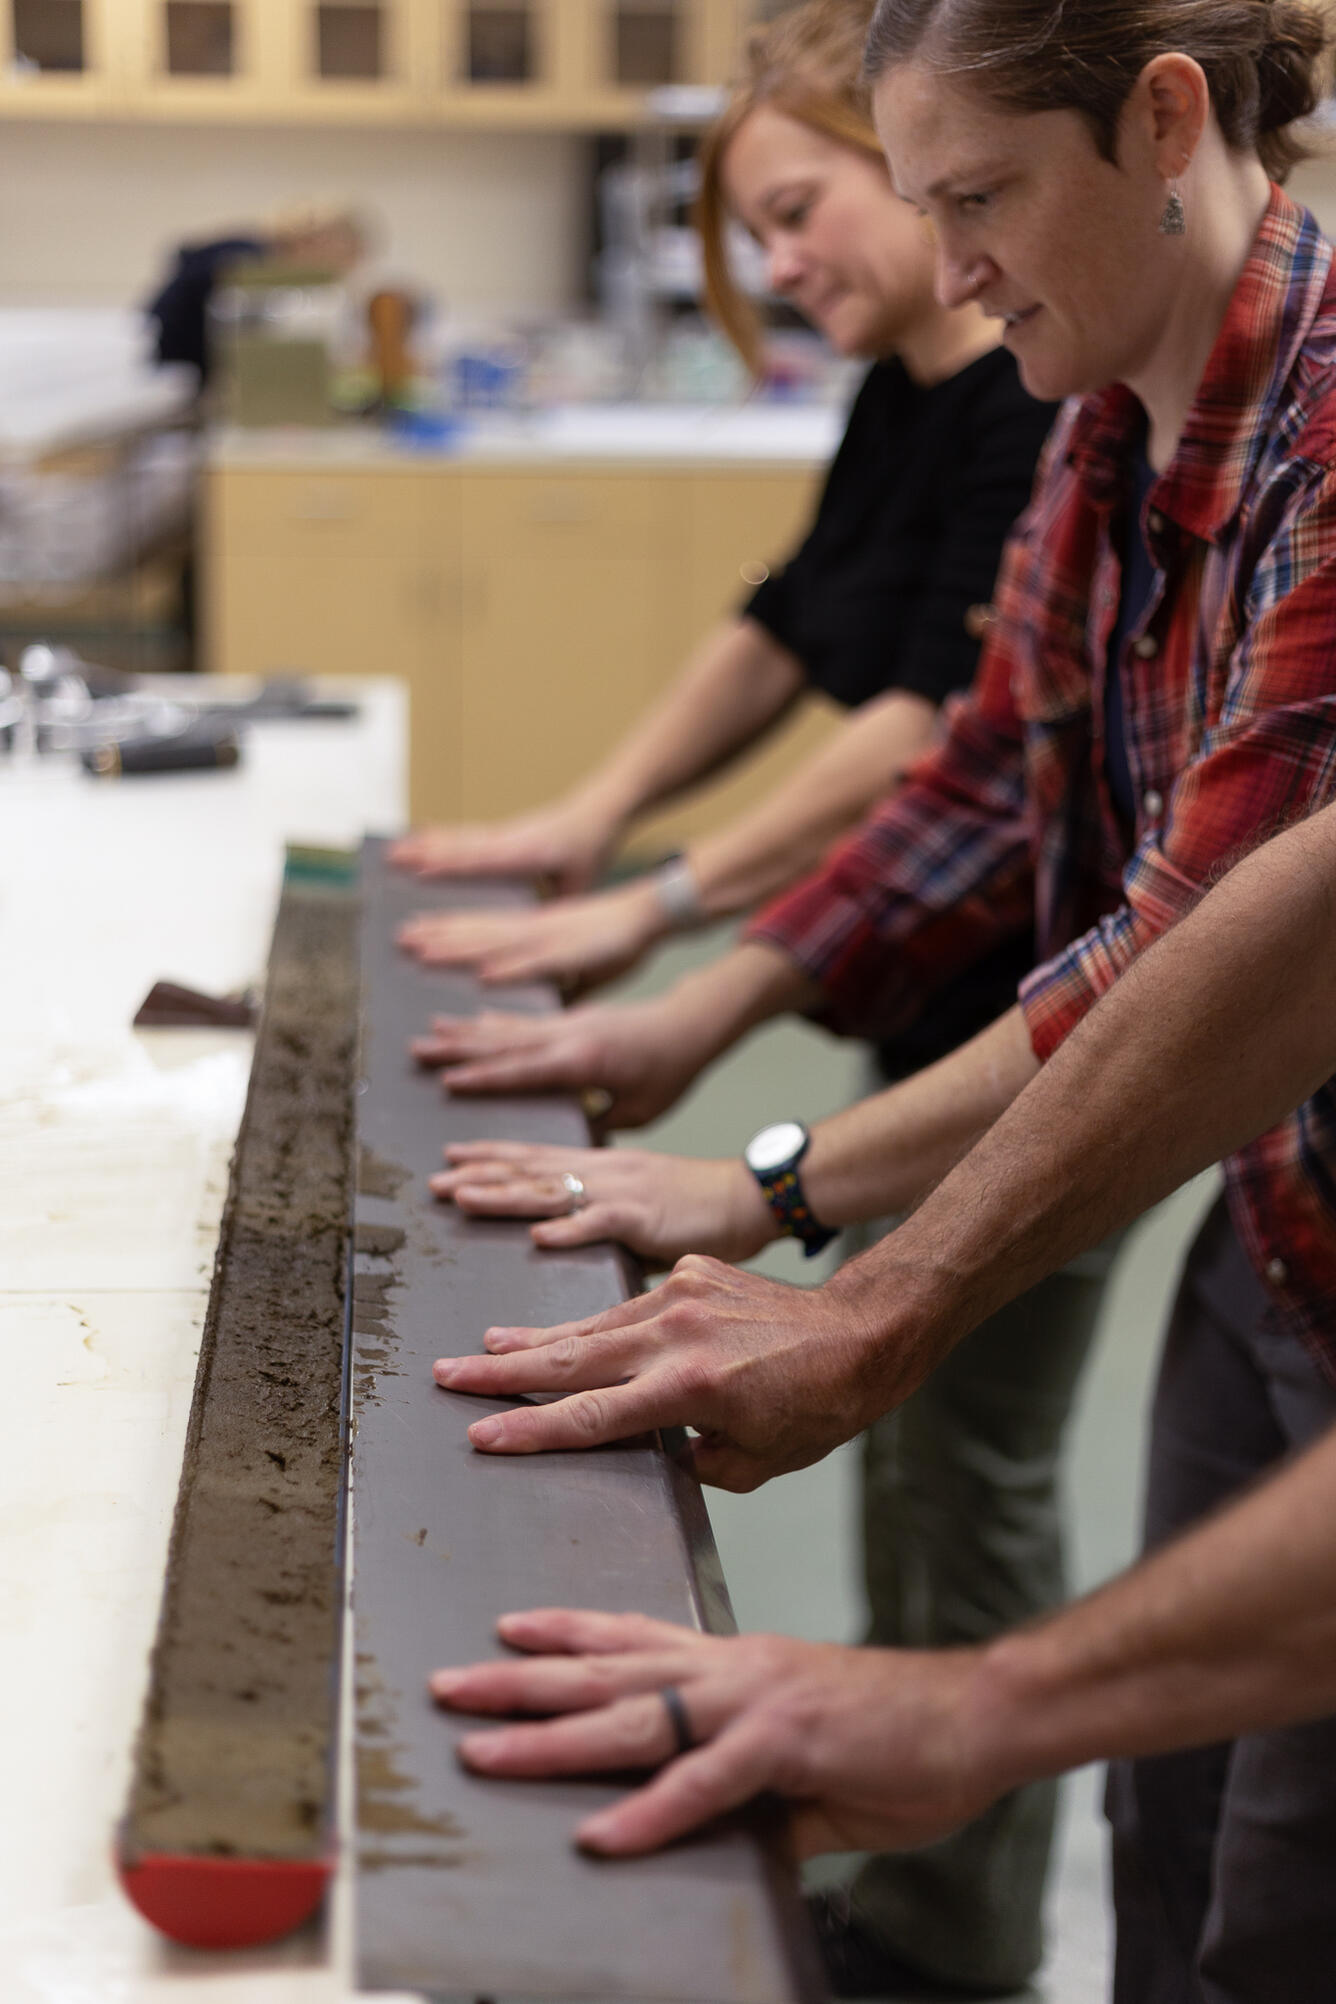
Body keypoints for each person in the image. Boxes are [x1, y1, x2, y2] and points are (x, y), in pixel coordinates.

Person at [421, 4, 1336, 1997]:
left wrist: (792, 1192)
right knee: (1170, 1838)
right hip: (1273, 1218)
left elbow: (1205, 936)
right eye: (918, 205)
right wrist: (677, 1031)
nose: (943, 267)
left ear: (1160, 120)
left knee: (1278, 1900)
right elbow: (976, 790)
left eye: (979, 197)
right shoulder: (1102, 407)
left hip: (1270, 1174)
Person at [427, 802, 1336, 1994]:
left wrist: (980, 1706)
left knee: (1289, 1884)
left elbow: (1183, 933)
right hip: (1290, 1195)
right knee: (1182, 1812)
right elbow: (1282, 906)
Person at [390, 0, 1048, 1020]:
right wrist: (591, 816)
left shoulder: (1029, 403)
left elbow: (932, 724)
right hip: (926, 962)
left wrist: (655, 905)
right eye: (755, 238)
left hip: (1024, 955)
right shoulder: (896, 386)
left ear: (912, 156)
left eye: (794, 213)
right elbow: (789, 618)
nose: (778, 269)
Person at [145, 200, 369, 386]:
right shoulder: (249, 258)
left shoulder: (257, 260)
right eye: (339, 257)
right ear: (318, 240)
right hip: (166, 360)